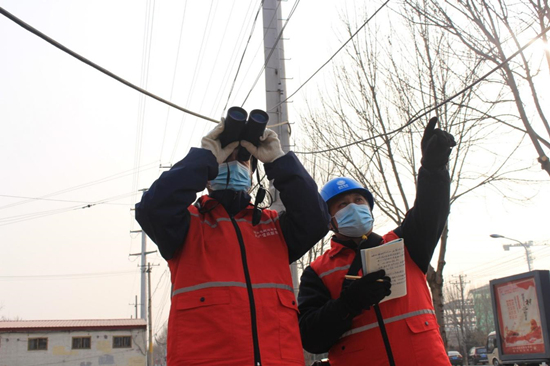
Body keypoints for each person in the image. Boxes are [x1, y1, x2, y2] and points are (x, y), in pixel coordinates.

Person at [135, 112, 330, 366]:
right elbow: (152, 210)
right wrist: (205, 157)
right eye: (224, 159)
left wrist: (280, 162)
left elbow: (316, 219)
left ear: (251, 174)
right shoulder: (186, 226)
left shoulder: (274, 227)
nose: (234, 164)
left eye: (243, 159)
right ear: (207, 175)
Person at [297, 117, 456, 366]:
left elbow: (431, 209)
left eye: (359, 201)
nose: (353, 207)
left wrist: (433, 170)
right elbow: (311, 338)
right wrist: (348, 304)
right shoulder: (317, 273)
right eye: (342, 204)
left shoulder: (406, 243)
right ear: (329, 221)